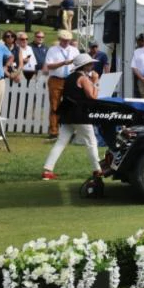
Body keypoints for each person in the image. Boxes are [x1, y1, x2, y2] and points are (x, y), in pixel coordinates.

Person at [41, 52, 103, 185]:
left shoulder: (69, 77)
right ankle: (97, 169)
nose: (92, 65)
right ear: (85, 66)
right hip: (80, 115)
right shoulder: (83, 79)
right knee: (91, 142)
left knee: (61, 142)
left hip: (67, 114)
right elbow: (92, 96)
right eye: (90, 64)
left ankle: (47, 170)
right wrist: (96, 83)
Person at [43, 29, 79, 138]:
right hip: (56, 79)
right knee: (55, 106)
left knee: (70, 105)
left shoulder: (74, 50)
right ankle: (54, 131)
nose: (66, 42)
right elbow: (49, 66)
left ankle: (70, 131)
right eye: (64, 40)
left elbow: (79, 64)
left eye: (68, 40)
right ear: (59, 39)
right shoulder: (52, 50)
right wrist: (63, 63)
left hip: (70, 80)